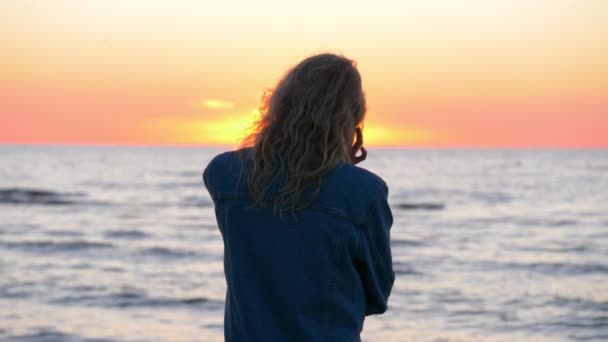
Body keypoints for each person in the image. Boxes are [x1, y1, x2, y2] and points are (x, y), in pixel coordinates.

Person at [202, 53, 394, 342]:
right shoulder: (363, 193)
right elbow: (376, 296)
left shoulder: (226, 175)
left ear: (280, 104)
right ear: (352, 116)